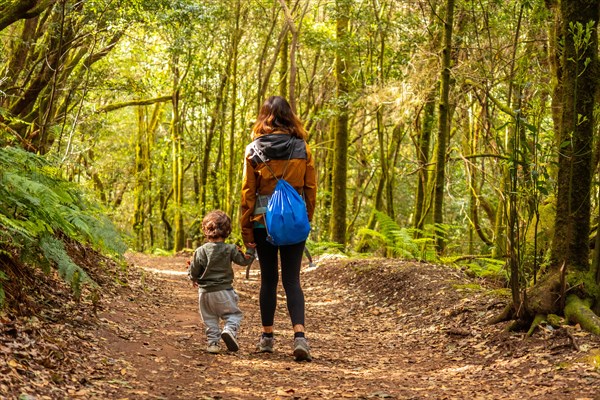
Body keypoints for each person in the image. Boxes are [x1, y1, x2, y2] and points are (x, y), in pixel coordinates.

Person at [240, 96, 317, 361]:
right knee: (293, 280)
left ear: (264, 117)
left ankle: (267, 338)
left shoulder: (253, 150)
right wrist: (306, 218)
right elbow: (310, 188)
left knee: (269, 280)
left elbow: (248, 193)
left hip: (263, 223)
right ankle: (300, 337)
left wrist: (246, 230)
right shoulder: (302, 148)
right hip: (294, 221)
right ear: (290, 117)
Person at [188, 210, 255, 354]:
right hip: (224, 291)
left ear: (206, 230)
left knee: (210, 320)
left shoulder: (200, 250)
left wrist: (193, 278)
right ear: (227, 231)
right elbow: (244, 261)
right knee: (233, 315)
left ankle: (213, 344)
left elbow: (194, 270)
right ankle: (229, 330)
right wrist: (250, 250)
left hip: (204, 294)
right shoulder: (230, 249)